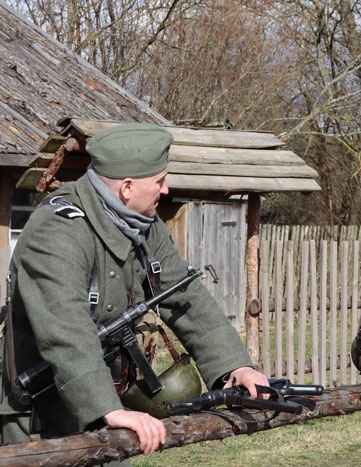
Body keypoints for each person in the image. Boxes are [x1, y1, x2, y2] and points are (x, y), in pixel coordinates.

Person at [0, 123, 268, 455]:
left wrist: (235, 367)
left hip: (108, 408)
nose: (166, 190)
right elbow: (65, 329)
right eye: (159, 181)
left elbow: (186, 298)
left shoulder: (142, 224)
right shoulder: (57, 231)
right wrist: (108, 409)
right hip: (37, 419)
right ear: (127, 187)